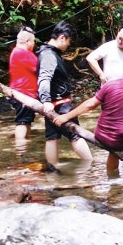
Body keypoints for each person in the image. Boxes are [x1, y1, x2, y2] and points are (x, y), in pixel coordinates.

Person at [54, 54, 123, 176]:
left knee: (114, 151)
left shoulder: (111, 85)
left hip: (102, 135)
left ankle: (111, 179)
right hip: (121, 140)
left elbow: (90, 104)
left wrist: (66, 116)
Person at [36, 20, 93, 167]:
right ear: (62, 37)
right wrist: (46, 100)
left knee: (52, 137)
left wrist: (47, 103)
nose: (69, 45)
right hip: (60, 105)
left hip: (52, 105)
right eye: (69, 41)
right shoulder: (49, 55)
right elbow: (44, 78)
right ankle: (91, 166)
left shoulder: (45, 52)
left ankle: (52, 170)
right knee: (76, 135)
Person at [7, 26, 38, 148]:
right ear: (28, 41)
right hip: (23, 93)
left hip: (24, 92)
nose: (34, 44)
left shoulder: (17, 52)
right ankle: (20, 149)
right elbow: (39, 68)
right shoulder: (23, 53)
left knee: (26, 121)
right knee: (22, 122)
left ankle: (25, 147)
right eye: (33, 41)